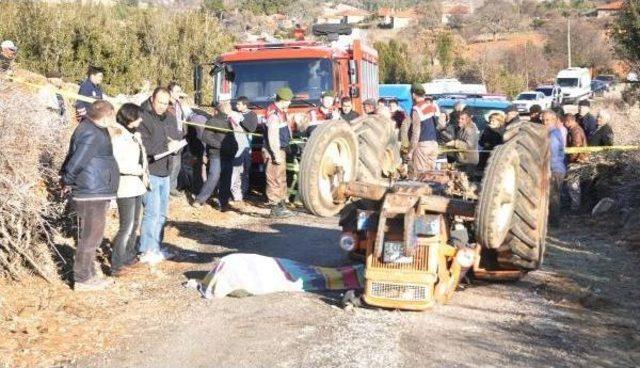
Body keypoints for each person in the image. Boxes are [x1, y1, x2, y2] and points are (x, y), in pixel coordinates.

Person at [60, 100, 119, 291]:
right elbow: (77, 160)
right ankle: (83, 278)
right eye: (112, 115)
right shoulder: (91, 132)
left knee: (93, 235)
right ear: (105, 115)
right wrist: (67, 180)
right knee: (90, 236)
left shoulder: (91, 129)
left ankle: (90, 274)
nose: (114, 118)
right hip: (90, 192)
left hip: (95, 189)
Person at [138, 87, 182, 264]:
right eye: (160, 102)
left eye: (166, 103)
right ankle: (146, 249)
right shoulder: (143, 117)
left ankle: (157, 245)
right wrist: (166, 148)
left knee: (162, 213)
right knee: (152, 212)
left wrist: (176, 142)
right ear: (152, 98)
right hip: (151, 171)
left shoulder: (170, 117)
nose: (163, 106)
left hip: (166, 170)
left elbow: (177, 134)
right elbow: (144, 146)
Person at [108, 104, 149, 277]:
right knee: (126, 226)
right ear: (129, 117)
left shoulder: (133, 136)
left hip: (137, 185)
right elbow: (119, 163)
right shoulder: (118, 136)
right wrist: (138, 170)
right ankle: (116, 264)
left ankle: (129, 255)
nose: (141, 120)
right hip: (125, 186)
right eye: (138, 117)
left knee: (135, 224)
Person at [264, 87, 294, 218]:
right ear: (283, 100)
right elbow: (272, 137)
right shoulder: (274, 115)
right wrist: (276, 155)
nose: (290, 103)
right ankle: (275, 208)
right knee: (274, 178)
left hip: (280, 149)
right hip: (273, 151)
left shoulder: (280, 112)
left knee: (281, 178)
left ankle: (281, 204)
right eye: (289, 100)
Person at [193, 103, 230, 208]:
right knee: (214, 176)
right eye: (228, 108)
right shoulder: (212, 121)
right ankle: (199, 199)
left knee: (226, 178)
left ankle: (223, 202)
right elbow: (206, 137)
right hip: (216, 154)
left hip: (228, 155)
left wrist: (233, 149)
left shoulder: (229, 122)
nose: (230, 109)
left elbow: (232, 139)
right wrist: (220, 146)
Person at [231, 96, 258, 204]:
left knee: (245, 171)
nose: (236, 106)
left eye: (239, 104)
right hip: (235, 146)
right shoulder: (234, 113)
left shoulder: (252, 115)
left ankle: (244, 192)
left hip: (246, 147)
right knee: (235, 170)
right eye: (236, 104)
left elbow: (252, 128)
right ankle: (234, 193)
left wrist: (242, 120)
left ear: (245, 105)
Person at [408, 83, 439, 175]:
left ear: (413, 94)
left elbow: (416, 132)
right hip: (434, 145)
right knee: (430, 177)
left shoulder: (416, 109)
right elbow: (440, 125)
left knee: (420, 177)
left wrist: (411, 151)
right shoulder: (431, 106)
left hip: (422, 146)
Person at [542, 111, 566, 227]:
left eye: (547, 120)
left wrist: (548, 170)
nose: (544, 122)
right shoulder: (551, 133)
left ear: (554, 120)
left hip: (554, 169)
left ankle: (554, 223)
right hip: (555, 169)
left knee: (553, 197)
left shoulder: (553, 135)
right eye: (543, 120)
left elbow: (552, 154)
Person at [167, 82, 190, 196]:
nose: (179, 94)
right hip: (171, 137)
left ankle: (173, 187)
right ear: (170, 92)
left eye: (180, 91)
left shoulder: (178, 104)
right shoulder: (167, 105)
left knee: (177, 163)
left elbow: (182, 119)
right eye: (177, 91)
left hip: (181, 136)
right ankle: (168, 189)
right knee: (172, 163)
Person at [563, 113, 588, 212]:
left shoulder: (575, 131)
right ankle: (574, 205)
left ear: (569, 121)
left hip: (576, 162)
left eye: (565, 122)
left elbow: (575, 148)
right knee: (572, 184)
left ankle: (575, 207)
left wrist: (570, 159)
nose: (564, 124)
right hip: (576, 160)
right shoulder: (574, 130)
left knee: (573, 185)